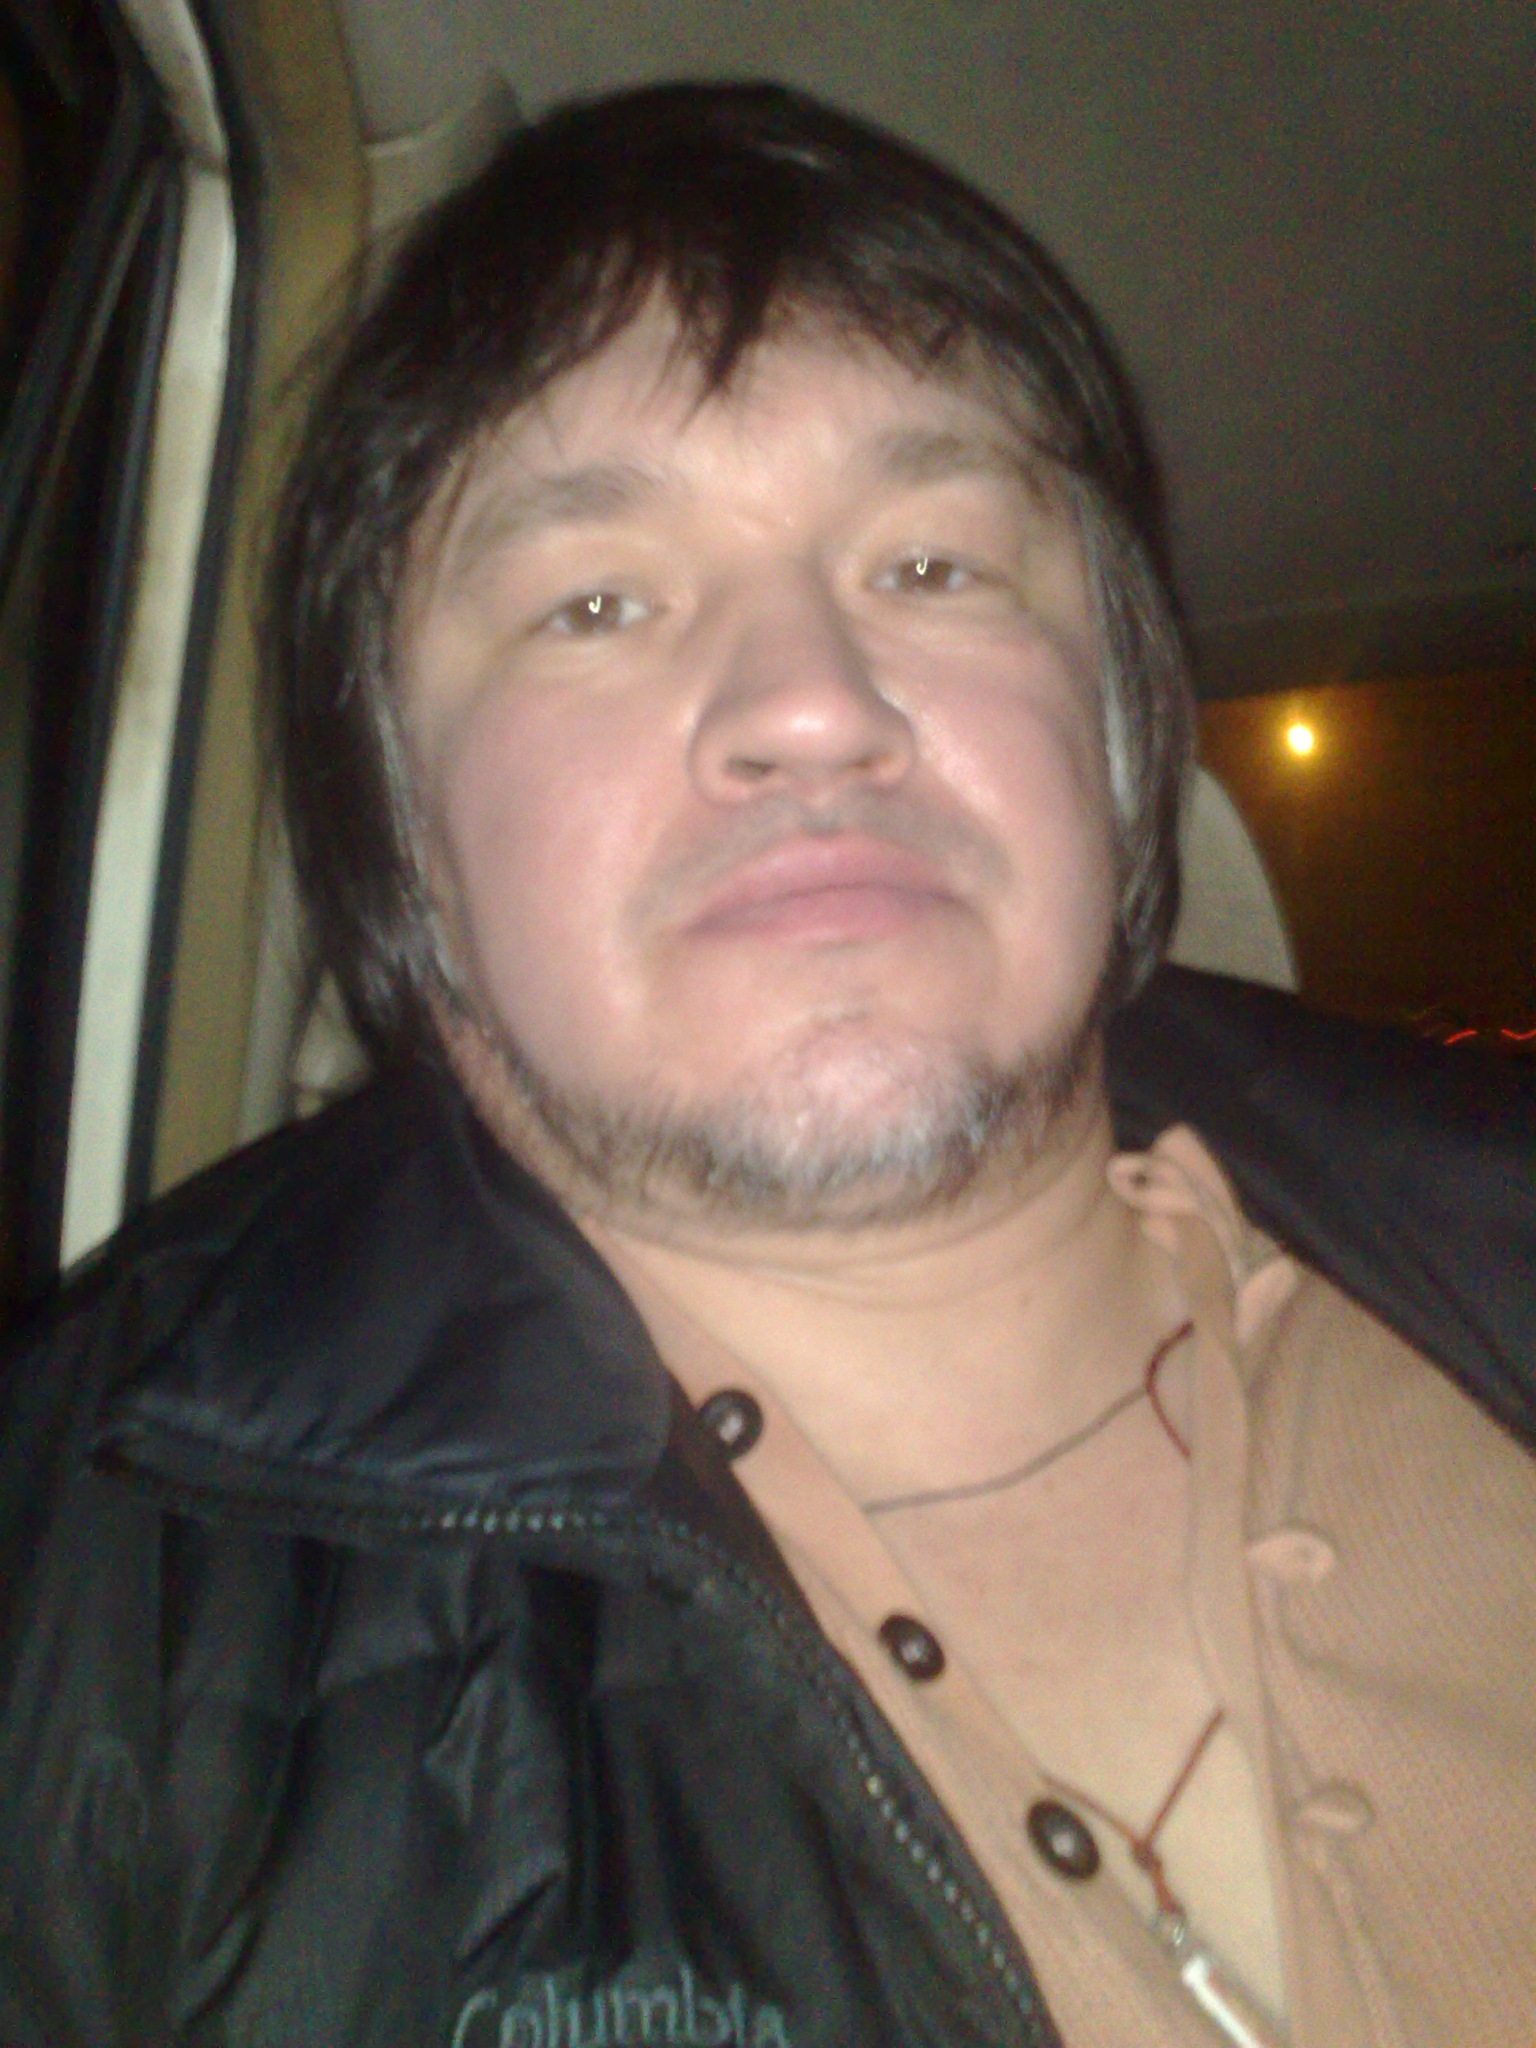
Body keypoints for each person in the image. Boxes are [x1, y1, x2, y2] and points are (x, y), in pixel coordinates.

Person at [2, 81, 1533, 2048]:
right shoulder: (86, 1582)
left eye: (932, 568)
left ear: (1120, 735)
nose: (812, 706)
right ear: (403, 830)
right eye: (597, 604)